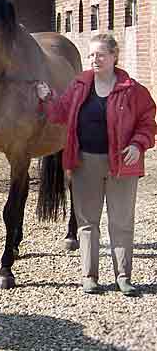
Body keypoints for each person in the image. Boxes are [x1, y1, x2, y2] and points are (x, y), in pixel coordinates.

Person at [36, 34, 157, 296]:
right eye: (91, 55)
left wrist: (138, 145)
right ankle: (89, 276)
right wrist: (47, 98)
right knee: (87, 223)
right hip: (85, 163)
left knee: (122, 222)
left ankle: (123, 277)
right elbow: (60, 113)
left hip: (122, 164)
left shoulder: (133, 90)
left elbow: (148, 122)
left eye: (101, 54)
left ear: (114, 56)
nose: (95, 59)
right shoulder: (79, 86)